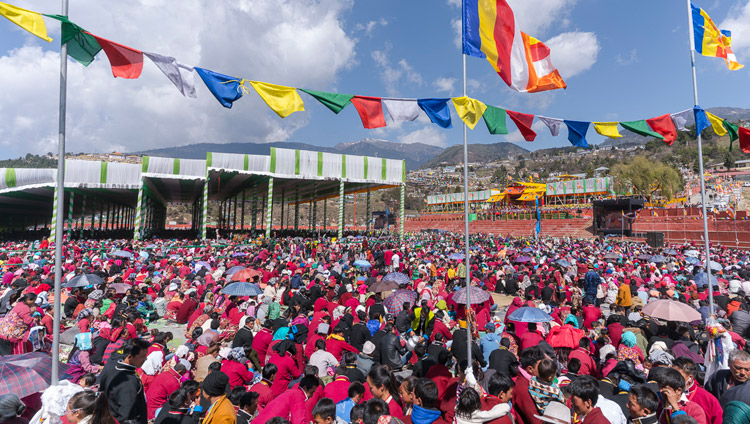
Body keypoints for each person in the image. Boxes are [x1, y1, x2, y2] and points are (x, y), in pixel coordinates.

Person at [98, 338, 150, 424]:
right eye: (142, 356)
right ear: (129, 357)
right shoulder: (128, 382)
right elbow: (126, 415)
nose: (146, 359)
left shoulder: (112, 369)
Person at [252, 375, 320, 424]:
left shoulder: (291, 392)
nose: (311, 396)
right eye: (312, 392)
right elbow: (299, 422)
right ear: (305, 388)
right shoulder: (298, 396)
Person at [672, 357, 723, 424]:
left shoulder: (708, 399)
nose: (672, 378)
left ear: (690, 378)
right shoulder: (667, 395)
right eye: (671, 374)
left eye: (677, 375)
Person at [512, 346, 545, 424]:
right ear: (530, 369)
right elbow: (535, 420)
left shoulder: (530, 381)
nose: (544, 369)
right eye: (541, 366)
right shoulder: (523, 388)